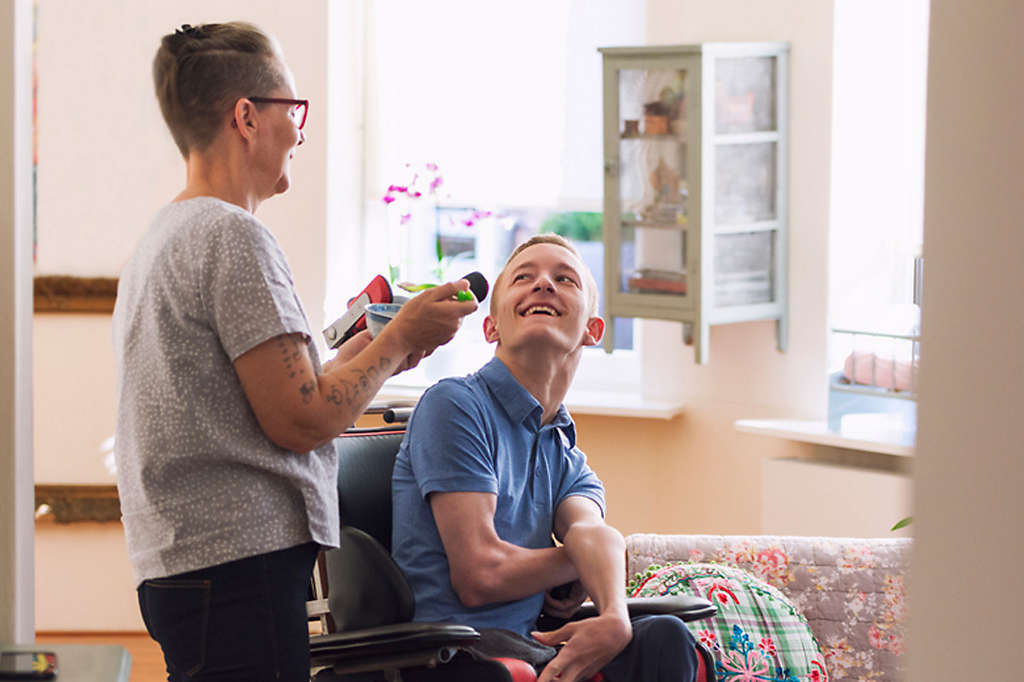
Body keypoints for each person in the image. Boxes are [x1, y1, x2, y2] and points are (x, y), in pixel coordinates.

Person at [112, 22, 477, 682]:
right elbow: (301, 419)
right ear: (247, 117)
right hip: (236, 571)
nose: (302, 132)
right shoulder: (233, 238)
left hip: (192, 566)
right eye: (294, 110)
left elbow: (268, 402)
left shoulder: (168, 235)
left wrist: (373, 352)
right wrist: (396, 340)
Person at [391, 234, 699, 682]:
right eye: (523, 277)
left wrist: (614, 616)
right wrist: (581, 558)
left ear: (592, 331)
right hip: (453, 654)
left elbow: (595, 533)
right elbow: (479, 575)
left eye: (564, 278)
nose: (543, 285)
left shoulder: (565, 452)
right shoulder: (454, 405)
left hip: (528, 644)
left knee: (665, 637)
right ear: (491, 326)